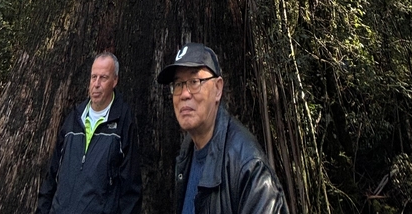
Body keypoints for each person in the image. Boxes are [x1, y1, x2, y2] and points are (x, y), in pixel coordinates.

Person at [158, 42, 288, 214]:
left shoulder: (248, 164)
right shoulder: (187, 151)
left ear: (218, 89)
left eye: (194, 81)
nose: (184, 94)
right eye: (178, 84)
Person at [37, 51, 142, 214]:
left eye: (103, 78)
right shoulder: (74, 120)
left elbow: (130, 190)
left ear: (115, 81)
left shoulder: (123, 122)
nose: (97, 84)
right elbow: (52, 176)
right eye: (94, 77)